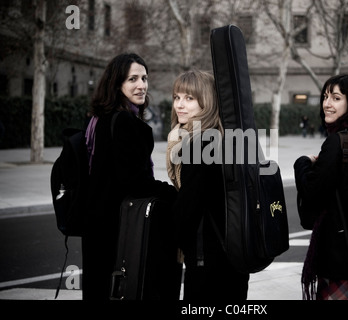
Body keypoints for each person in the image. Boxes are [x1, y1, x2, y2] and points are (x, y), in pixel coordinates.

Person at [82, 53, 177, 300]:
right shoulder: (125, 122)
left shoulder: (97, 119)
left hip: (95, 224)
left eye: (144, 78)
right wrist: (173, 193)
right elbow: (135, 182)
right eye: (132, 79)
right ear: (117, 84)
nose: (141, 85)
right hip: (119, 226)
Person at [166, 69, 250, 300]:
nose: (180, 105)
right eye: (177, 97)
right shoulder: (221, 137)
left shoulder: (199, 144)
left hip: (209, 256)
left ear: (208, 102)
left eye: (190, 98)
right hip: (234, 251)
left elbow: (187, 210)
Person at [293, 74, 348, 300]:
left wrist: (302, 164)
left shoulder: (338, 141)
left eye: (336, 98)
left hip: (338, 252)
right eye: (326, 96)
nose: (327, 104)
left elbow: (312, 193)